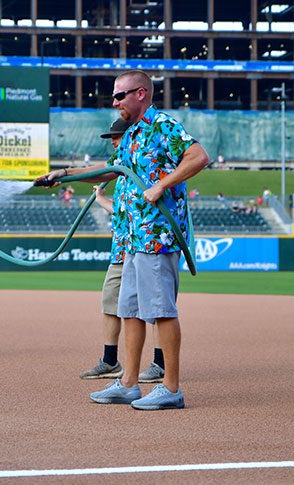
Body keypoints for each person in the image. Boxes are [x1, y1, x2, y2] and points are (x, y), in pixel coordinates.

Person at [88, 70, 209, 410]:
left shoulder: (162, 125)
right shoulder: (130, 135)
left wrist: (162, 184)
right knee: (130, 311)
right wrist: (62, 175)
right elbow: (111, 171)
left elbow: (198, 156)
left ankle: (171, 388)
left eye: (120, 95)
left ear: (141, 94)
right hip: (133, 239)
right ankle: (128, 382)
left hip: (157, 236)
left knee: (162, 312)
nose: (115, 102)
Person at [38, 118, 165, 384]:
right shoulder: (123, 166)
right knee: (112, 302)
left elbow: (137, 202)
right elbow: (115, 195)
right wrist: (64, 175)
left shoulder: (145, 161)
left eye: (116, 137)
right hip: (122, 246)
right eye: (112, 139)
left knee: (155, 307)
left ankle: (160, 363)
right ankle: (110, 361)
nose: (114, 142)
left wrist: (72, 177)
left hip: (147, 243)